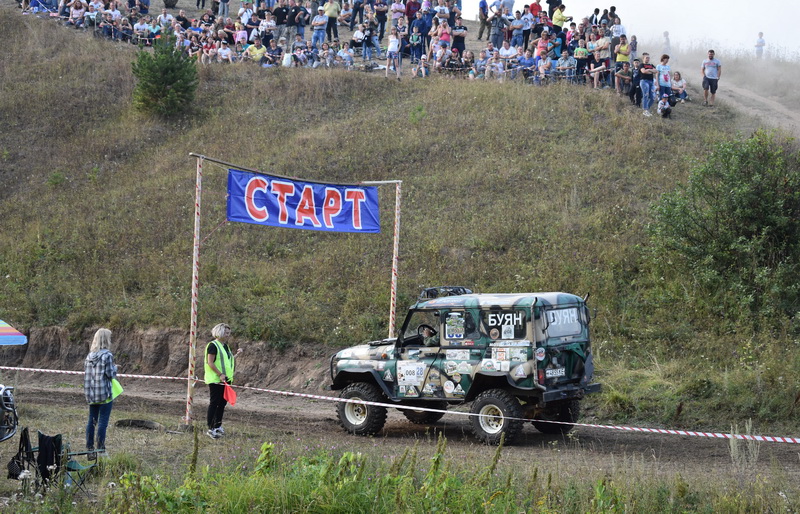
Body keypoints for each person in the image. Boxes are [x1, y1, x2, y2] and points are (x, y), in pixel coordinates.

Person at [205, 323, 242, 439]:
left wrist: (237, 355)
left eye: (229, 333)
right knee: (214, 403)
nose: (228, 335)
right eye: (226, 333)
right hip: (216, 380)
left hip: (226, 380)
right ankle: (210, 428)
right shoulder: (213, 345)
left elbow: (227, 360)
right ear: (219, 332)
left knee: (222, 404)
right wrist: (220, 374)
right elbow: (210, 362)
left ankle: (217, 426)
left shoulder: (225, 346)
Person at [84, 328, 118, 455]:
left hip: (91, 393)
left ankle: (89, 448)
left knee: (91, 421)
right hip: (104, 394)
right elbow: (110, 374)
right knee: (103, 422)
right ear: (106, 339)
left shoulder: (89, 356)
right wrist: (115, 368)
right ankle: (101, 449)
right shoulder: (107, 355)